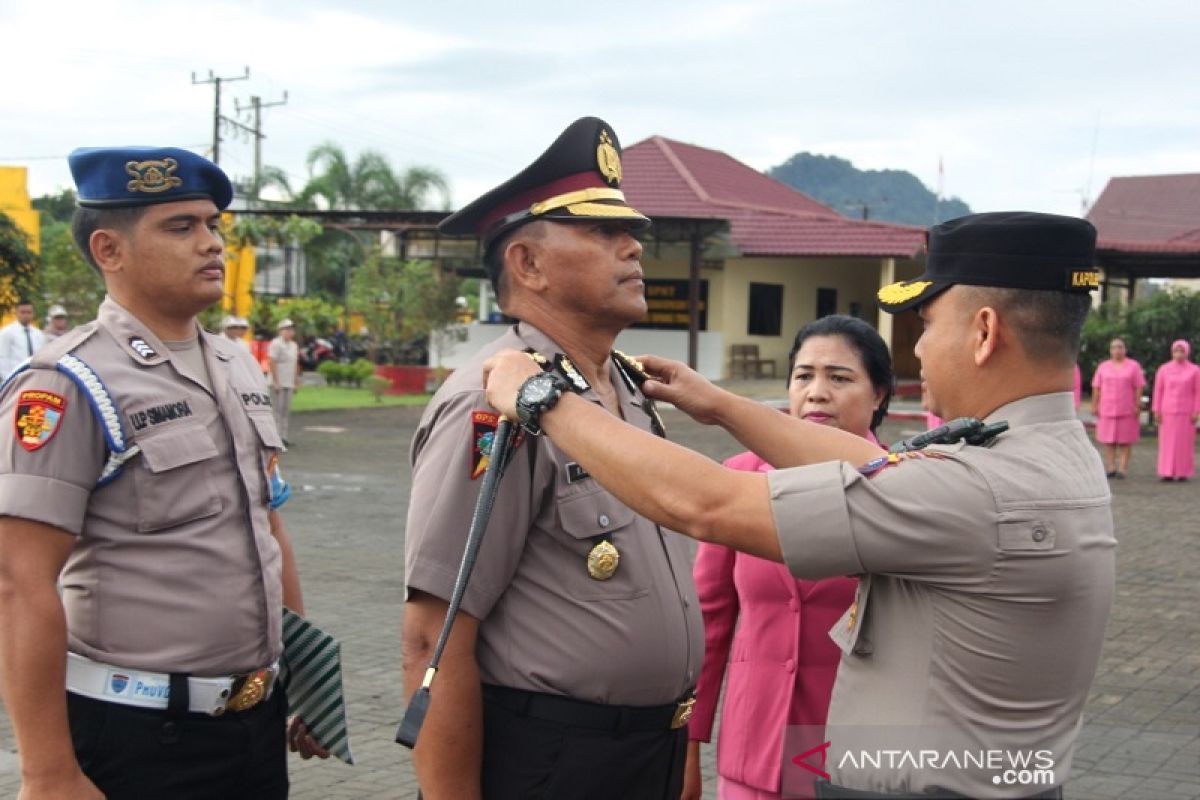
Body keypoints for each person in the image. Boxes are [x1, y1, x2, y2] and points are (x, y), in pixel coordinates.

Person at [482, 211, 1114, 799]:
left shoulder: (978, 488)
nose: (917, 350)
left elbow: (709, 504)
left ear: (983, 332)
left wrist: (543, 397)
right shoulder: (1050, 453)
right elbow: (874, 467)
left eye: (925, 326)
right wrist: (725, 407)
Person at [0, 146, 326, 800]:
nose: (211, 244)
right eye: (181, 227)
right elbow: (16, 581)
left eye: (212, 226)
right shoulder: (66, 383)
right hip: (139, 736)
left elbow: (268, 527)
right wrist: (48, 772)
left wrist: (311, 682)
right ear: (109, 250)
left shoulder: (237, 365)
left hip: (254, 727)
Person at [401, 116, 703, 800]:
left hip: (649, 751)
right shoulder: (493, 404)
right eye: (601, 232)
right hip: (552, 763)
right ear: (527, 264)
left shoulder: (623, 387)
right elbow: (432, 636)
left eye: (631, 232)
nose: (632, 247)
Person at [683, 315, 893, 800]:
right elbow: (708, 627)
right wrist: (688, 746)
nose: (817, 393)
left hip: (854, 758)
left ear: (879, 394)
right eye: (804, 376)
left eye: (839, 378)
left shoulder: (902, 488)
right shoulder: (737, 482)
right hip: (751, 749)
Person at [1091, 337, 1146, 478]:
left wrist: (1137, 404)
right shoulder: (1103, 366)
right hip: (1107, 408)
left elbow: (1139, 386)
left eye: (1120, 347)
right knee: (1108, 441)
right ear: (1110, 350)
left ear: (1125, 349)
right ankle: (1111, 467)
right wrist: (1095, 405)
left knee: (1125, 440)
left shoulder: (1133, 366)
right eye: (1114, 347)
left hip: (1127, 408)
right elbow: (1097, 387)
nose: (1117, 350)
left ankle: (1122, 468)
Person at [1151, 339, 1200, 481]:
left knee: (1184, 444)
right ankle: (1166, 472)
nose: (1179, 354)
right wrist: (1156, 410)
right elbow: (1158, 391)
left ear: (1187, 352)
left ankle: (1183, 472)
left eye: (1182, 351)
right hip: (1167, 411)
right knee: (1167, 443)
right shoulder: (1164, 369)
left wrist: (1196, 411)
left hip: (1186, 412)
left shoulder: (1195, 370)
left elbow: (1198, 392)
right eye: (1176, 351)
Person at [268, 318, 299, 445]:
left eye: (291, 329)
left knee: (286, 410)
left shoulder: (294, 345)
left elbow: (295, 363)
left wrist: (296, 381)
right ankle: (275, 436)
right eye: (287, 329)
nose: (290, 332)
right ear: (280, 331)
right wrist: (276, 381)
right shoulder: (276, 343)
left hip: (289, 381)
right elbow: (272, 361)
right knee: (277, 410)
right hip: (278, 381)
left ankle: (284, 436)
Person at [0, 299, 47, 379]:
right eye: (22, 312)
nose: (26, 315)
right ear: (16, 313)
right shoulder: (7, 332)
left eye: (29, 312)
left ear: (33, 314)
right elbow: (2, 357)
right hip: (15, 377)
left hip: (36, 376)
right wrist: (7, 378)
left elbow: (43, 357)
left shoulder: (39, 334)